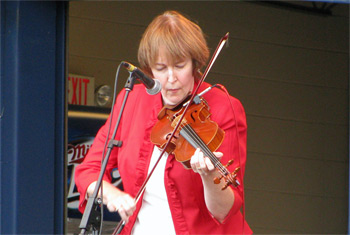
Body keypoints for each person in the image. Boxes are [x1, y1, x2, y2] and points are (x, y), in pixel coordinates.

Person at [75, 10, 252, 234]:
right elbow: (89, 170)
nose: (170, 79)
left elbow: (224, 210)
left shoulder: (223, 107)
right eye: (160, 69)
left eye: (179, 66)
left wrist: (209, 176)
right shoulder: (132, 100)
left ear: (195, 63)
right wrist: (113, 195)